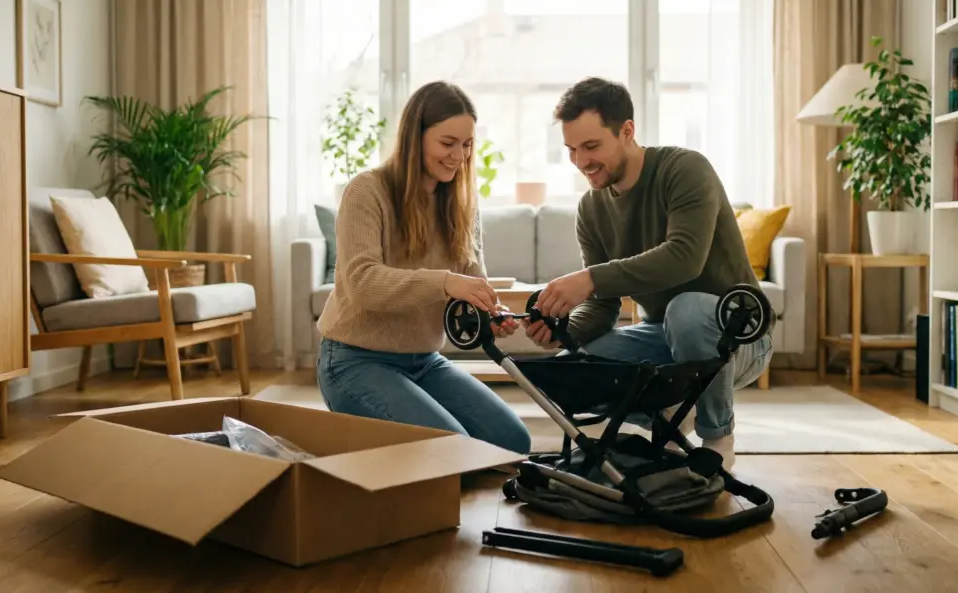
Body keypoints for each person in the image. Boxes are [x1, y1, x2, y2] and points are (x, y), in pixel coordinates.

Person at [522, 77, 773, 470]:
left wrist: (588, 279)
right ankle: (676, 416)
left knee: (685, 310)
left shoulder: (684, 169)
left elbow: (684, 257)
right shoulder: (591, 210)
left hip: (738, 335)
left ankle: (716, 437)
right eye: (571, 149)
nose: (581, 161)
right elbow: (603, 308)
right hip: (666, 339)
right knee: (590, 363)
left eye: (591, 146)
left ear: (626, 131)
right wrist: (562, 329)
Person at [315, 81, 532, 455]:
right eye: (447, 144)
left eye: (466, 145)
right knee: (452, 452)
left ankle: (392, 442)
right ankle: (365, 446)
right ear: (415, 137)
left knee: (514, 440)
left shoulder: (459, 202)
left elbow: (470, 277)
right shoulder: (366, 192)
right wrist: (447, 283)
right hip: (354, 360)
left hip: (425, 360)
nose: (458, 156)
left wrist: (487, 312)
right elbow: (362, 283)